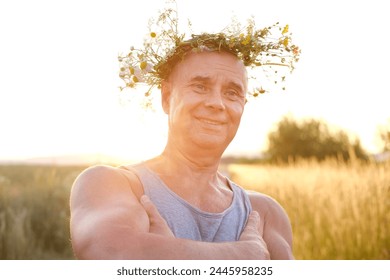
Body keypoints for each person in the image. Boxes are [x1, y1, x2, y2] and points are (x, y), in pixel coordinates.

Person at [70, 8, 299, 260]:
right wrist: (242, 256)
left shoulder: (264, 213)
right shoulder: (114, 184)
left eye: (232, 93)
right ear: (167, 97)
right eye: (200, 86)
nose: (217, 103)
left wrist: (167, 256)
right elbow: (110, 253)